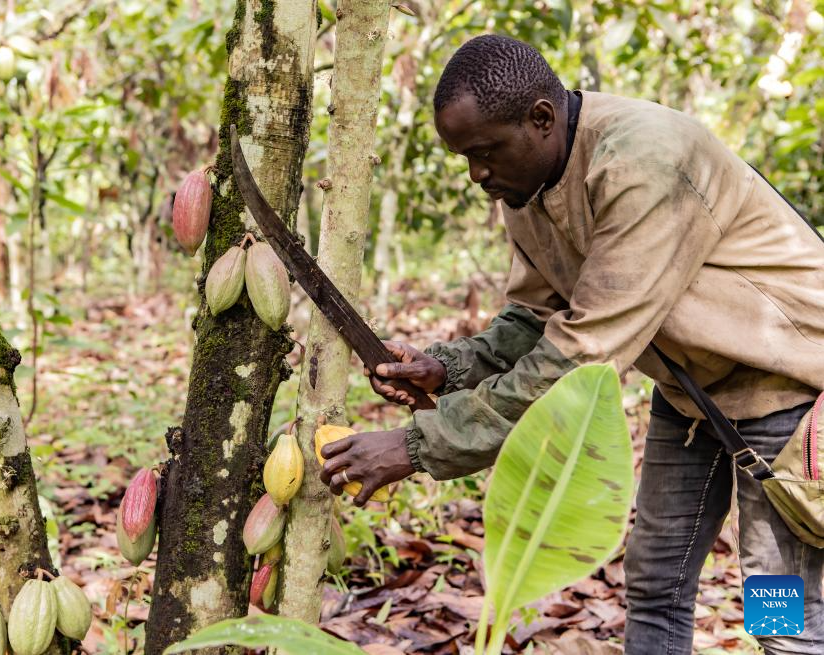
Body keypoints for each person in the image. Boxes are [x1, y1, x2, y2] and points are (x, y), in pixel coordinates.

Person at [318, 34, 824, 654]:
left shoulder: (645, 160)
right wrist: (448, 368)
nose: (477, 175)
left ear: (541, 118)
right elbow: (539, 318)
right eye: (465, 158)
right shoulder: (525, 184)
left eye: (484, 152)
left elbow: (583, 353)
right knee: (655, 585)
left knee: (779, 610)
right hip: (690, 397)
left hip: (784, 393)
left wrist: (416, 445)